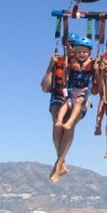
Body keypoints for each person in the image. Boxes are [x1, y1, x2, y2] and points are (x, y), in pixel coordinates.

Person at [40, 33, 79, 183]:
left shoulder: (85, 62)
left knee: (68, 126)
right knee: (58, 124)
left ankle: (58, 165)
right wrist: (50, 66)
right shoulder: (57, 62)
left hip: (76, 100)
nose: (70, 47)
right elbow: (45, 87)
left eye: (73, 44)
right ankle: (61, 162)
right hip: (58, 98)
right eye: (67, 44)